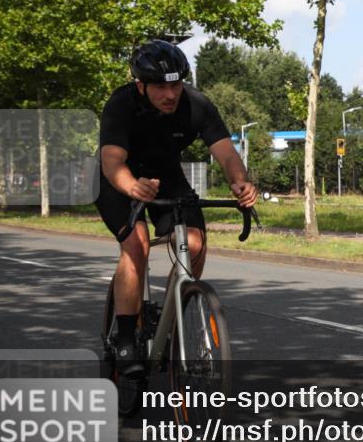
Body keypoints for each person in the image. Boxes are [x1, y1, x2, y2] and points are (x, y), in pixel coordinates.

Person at [95, 39, 257, 376]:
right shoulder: (121, 104)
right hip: (118, 180)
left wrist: (239, 181)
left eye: (175, 84)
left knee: (194, 244)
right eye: (159, 87)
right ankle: (125, 337)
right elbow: (111, 162)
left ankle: (171, 315)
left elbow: (226, 153)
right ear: (141, 85)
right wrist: (132, 186)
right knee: (136, 245)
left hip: (166, 175)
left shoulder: (196, 104)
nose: (170, 94)